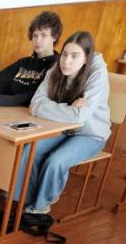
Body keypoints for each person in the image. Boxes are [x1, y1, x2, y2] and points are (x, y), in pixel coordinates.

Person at [13, 31, 111, 215]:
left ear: (86, 59)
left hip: (90, 134)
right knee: (30, 150)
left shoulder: (98, 74)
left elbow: (79, 117)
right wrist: (68, 108)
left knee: (55, 161)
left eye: (75, 56)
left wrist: (48, 108)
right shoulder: (56, 69)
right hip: (64, 129)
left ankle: (39, 207)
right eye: (64, 54)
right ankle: (24, 199)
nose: (67, 61)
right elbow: (35, 104)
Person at [0, 11, 63, 108]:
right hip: (3, 112)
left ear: (55, 37)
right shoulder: (23, 63)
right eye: (35, 35)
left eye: (43, 35)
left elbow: (33, 97)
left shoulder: (57, 66)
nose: (38, 41)